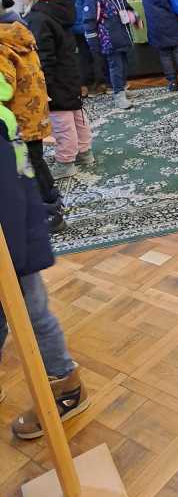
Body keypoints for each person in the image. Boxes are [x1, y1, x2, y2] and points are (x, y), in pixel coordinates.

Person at [0, 72, 89, 439]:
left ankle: (66, 388)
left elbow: (9, 197)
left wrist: (15, 260)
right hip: (16, 237)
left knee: (34, 316)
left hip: (14, 244)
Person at [12, 0, 94, 179]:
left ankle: (66, 162)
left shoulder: (38, 18)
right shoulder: (57, 9)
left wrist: (43, 86)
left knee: (61, 122)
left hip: (55, 77)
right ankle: (85, 152)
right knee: (76, 114)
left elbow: (44, 56)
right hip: (70, 70)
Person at [0, 14, 65, 232]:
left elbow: (4, 89)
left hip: (17, 119)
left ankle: (49, 212)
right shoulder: (20, 37)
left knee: (26, 165)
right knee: (34, 160)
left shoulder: (3, 48)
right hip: (33, 114)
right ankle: (52, 203)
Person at [50, 0, 108, 96]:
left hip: (69, 23)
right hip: (85, 22)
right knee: (95, 53)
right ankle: (99, 84)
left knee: (80, 55)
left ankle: (84, 86)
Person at [83, 0, 138, 110]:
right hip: (109, 39)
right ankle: (118, 94)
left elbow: (125, 6)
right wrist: (93, 42)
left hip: (122, 35)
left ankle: (122, 89)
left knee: (124, 64)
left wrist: (134, 16)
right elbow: (89, 20)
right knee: (116, 67)